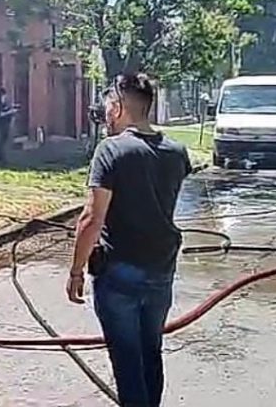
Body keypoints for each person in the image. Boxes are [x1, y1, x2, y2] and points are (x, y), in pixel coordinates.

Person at [66, 72, 191, 407]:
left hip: (120, 271)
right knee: (151, 353)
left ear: (119, 107)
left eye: (108, 106)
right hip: (161, 268)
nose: (106, 113)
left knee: (127, 363)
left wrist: (76, 270)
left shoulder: (111, 150)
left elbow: (92, 219)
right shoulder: (177, 153)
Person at [0, 87, 18, 163]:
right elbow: (0, 114)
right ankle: (1, 156)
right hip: (1, 124)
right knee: (2, 140)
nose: (5, 97)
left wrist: (11, 108)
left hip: (5, 123)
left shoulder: (3, 103)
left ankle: (2, 155)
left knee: (4, 139)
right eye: (4, 96)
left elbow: (5, 110)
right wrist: (10, 112)